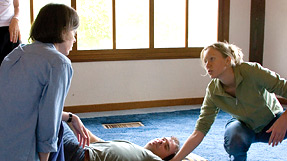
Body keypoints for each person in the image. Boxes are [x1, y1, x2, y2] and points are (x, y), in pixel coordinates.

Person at [0, 3, 89, 161]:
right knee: (59, 131)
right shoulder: (59, 63)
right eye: (73, 32)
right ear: (62, 31)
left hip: (5, 146)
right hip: (25, 152)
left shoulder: (15, 55)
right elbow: (49, 121)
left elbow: (25, 107)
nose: (74, 39)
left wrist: (70, 117)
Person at [170, 41, 287, 161]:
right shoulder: (212, 91)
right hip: (245, 127)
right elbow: (200, 130)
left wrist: (284, 118)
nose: (207, 65)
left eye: (212, 59)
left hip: (274, 120)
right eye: (205, 61)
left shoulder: (252, 71)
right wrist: (175, 160)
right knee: (234, 138)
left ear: (228, 60)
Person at [62, 121, 180, 161]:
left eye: (166, 146)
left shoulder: (151, 158)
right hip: (82, 150)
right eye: (163, 139)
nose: (160, 142)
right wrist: (73, 121)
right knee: (58, 119)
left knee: (54, 119)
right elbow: (95, 140)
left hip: (82, 155)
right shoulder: (136, 149)